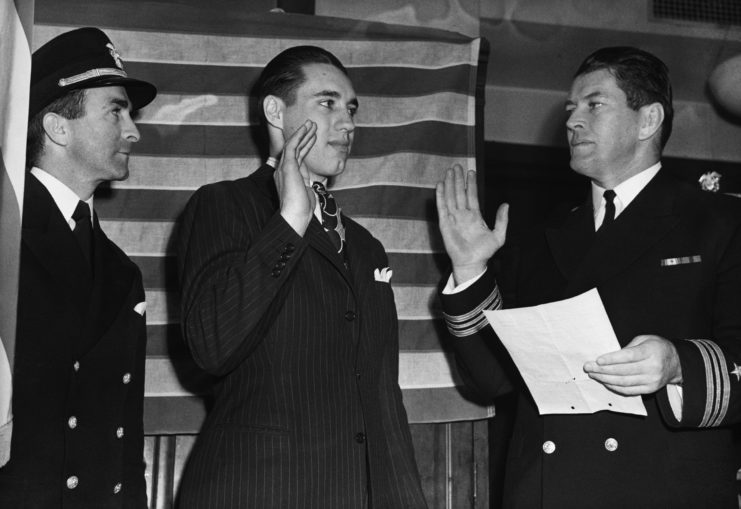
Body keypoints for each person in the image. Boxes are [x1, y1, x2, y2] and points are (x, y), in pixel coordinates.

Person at [437, 46, 741, 509]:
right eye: (570, 109)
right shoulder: (541, 239)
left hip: (660, 491)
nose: (573, 120)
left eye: (594, 105)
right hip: (548, 491)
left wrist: (678, 364)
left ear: (648, 120)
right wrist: (470, 270)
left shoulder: (720, 221)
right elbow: (492, 380)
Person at [176, 46, 427, 509]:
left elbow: (381, 397)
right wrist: (290, 219)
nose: (349, 124)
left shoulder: (367, 245)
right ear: (275, 110)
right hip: (259, 493)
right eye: (328, 103)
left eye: (351, 109)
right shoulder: (223, 206)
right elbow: (212, 345)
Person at [0, 27, 156, 508]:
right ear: (58, 128)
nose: (133, 129)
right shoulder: (5, 243)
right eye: (115, 110)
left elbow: (125, 442)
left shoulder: (120, 271)